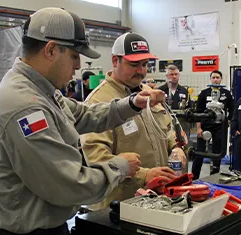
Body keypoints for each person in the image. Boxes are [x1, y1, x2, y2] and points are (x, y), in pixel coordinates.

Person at [0, 8, 166, 235]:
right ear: (50, 50)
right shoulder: (26, 108)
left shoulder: (40, 89)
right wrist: (121, 167)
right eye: (74, 55)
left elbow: (82, 115)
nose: (79, 66)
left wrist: (132, 104)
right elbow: (69, 184)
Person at [80, 32, 186, 210]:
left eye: (145, 64)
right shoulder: (98, 102)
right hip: (119, 205)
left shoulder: (149, 93)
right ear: (115, 61)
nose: (141, 71)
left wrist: (176, 147)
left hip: (158, 200)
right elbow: (96, 157)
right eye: (134, 64)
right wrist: (145, 175)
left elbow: (168, 129)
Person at [191, 70, 233, 179]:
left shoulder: (227, 93)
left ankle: (213, 176)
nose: (215, 79)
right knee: (199, 152)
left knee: (217, 153)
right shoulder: (204, 93)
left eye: (217, 77)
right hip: (205, 126)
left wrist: (227, 124)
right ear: (210, 79)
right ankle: (193, 177)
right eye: (213, 77)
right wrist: (199, 128)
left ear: (221, 79)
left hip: (220, 128)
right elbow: (198, 112)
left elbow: (232, 111)